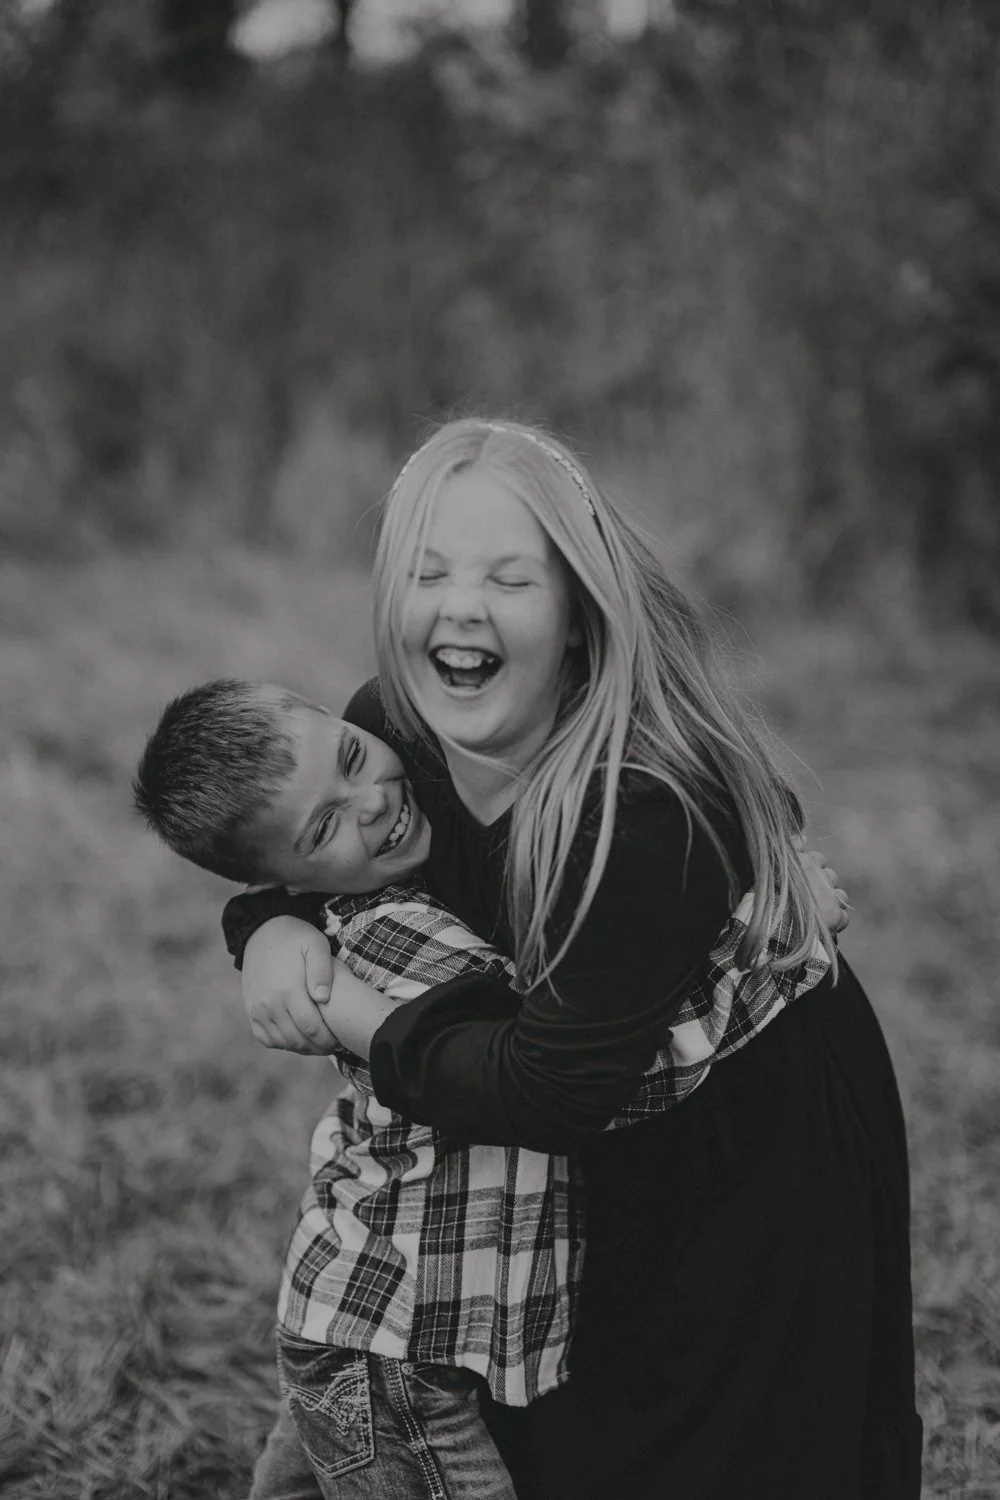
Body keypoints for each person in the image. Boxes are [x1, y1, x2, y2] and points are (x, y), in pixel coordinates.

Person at [224, 418, 922, 1499]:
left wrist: (349, 1010)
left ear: (581, 620)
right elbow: (301, 847)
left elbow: (549, 1089)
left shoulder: (642, 810)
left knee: (720, 1442)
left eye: (510, 578)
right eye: (430, 572)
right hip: (550, 1158)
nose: (462, 605)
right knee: (551, 1426)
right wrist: (267, 930)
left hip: (742, 1151)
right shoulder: (387, 740)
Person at [134, 678, 831, 1500]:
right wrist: (774, 946)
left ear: (338, 719)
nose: (368, 805)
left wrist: (263, 929)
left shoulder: (384, 889)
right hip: (397, 1343)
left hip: (370, 1318)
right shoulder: (400, 941)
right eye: (323, 828)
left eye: (353, 759)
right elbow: (598, 1078)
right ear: (286, 877)